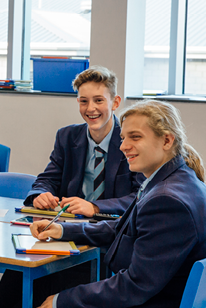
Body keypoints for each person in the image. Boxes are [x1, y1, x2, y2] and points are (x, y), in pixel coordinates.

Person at [2, 100, 206, 308]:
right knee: (24, 286)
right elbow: (122, 228)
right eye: (123, 138)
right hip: (159, 302)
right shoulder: (173, 180)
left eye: (135, 137)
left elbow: (134, 286)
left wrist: (62, 300)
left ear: (167, 140)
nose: (123, 146)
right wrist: (63, 230)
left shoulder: (167, 199)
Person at [24, 66, 142, 217]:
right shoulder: (66, 137)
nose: (91, 108)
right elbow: (48, 179)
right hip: (72, 223)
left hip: (114, 227)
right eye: (84, 101)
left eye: (99, 100)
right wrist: (40, 194)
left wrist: (95, 207)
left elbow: (140, 196)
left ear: (115, 103)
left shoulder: (131, 141)